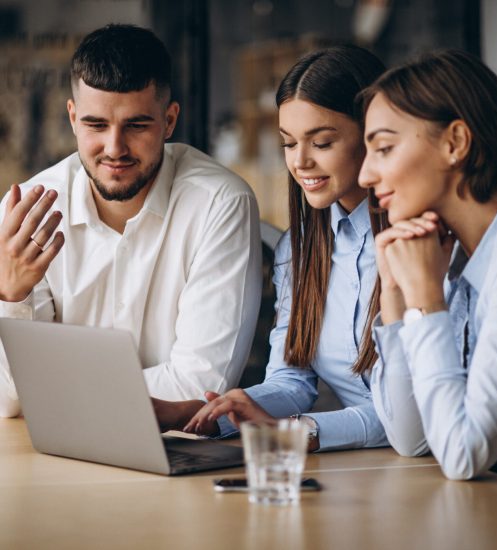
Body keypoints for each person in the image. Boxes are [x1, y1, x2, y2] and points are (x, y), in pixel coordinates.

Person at [0, 24, 262, 418]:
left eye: (136, 125)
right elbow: (9, 400)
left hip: (176, 453)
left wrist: (54, 390)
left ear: (170, 121)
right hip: (52, 452)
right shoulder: (23, 213)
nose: (114, 148)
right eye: (96, 125)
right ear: (73, 118)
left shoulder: (219, 203)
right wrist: (13, 298)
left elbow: (200, 387)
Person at [154, 45, 390, 453]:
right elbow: (291, 381)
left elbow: (412, 418)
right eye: (288, 143)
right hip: (373, 470)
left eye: (322, 142)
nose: (300, 162)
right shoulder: (298, 251)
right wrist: (208, 416)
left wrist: (301, 431)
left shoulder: (423, 244)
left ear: (373, 136)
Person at [358, 49, 497, 479]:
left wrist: (426, 300)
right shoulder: (453, 255)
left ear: (455, 142)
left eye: (383, 148)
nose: (365, 175)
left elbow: (462, 455)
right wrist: (395, 294)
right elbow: (412, 438)